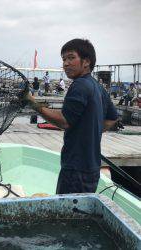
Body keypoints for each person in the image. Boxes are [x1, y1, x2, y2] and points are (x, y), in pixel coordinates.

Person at [24, 38, 118, 194]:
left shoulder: (80, 85)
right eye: (64, 59)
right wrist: (90, 131)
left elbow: (64, 121)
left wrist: (32, 103)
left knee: (67, 213)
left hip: (76, 168)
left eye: (71, 57)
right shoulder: (97, 86)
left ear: (86, 61)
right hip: (92, 167)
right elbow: (112, 118)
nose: (66, 63)